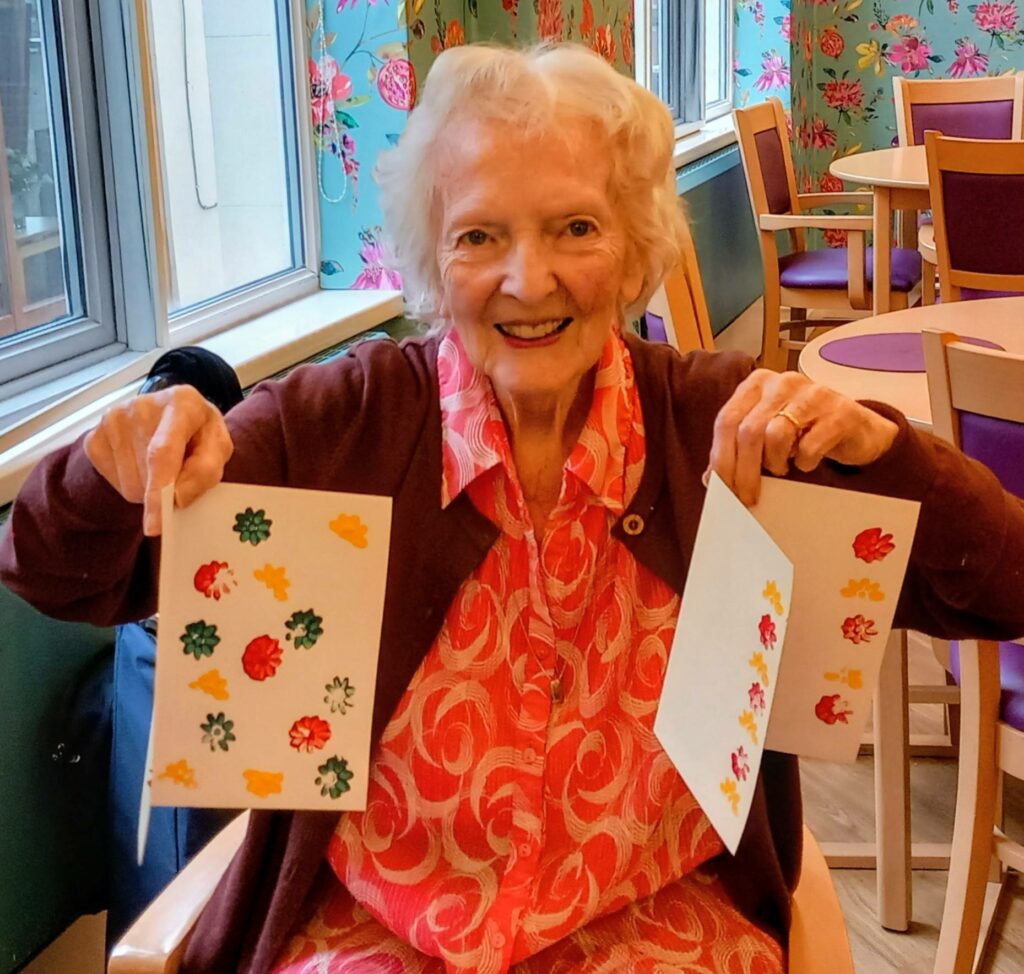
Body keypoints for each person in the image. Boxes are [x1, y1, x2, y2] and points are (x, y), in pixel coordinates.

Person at [2, 42, 1023, 974]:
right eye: (477, 235)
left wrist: (891, 456)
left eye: (574, 226)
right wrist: (121, 458)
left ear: (631, 246)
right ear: (431, 263)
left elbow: (1002, 583)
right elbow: (55, 567)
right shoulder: (339, 425)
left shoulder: (719, 427)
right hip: (379, 934)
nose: (525, 278)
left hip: (657, 922)